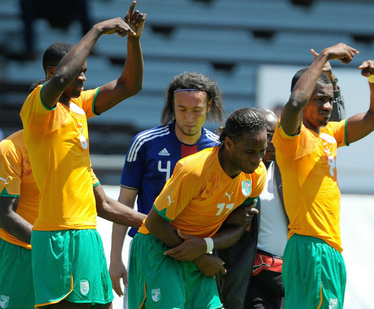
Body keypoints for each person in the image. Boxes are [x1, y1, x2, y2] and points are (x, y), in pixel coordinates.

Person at [19, 2, 146, 308]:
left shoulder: (78, 107)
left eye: (86, 73)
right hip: (58, 236)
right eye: (80, 72)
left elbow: (130, 85)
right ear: (52, 71)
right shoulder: (37, 108)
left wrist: (134, 39)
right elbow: (62, 80)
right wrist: (97, 29)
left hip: (87, 233)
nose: (84, 79)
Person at [216, 55, 347, 309]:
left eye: (277, 135)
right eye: (267, 136)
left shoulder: (293, 168)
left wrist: (332, 81)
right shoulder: (239, 176)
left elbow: (327, 125)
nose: (273, 141)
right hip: (252, 275)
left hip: (293, 272)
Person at [273, 43, 374, 308]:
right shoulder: (291, 138)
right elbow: (293, 104)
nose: (327, 106)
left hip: (332, 251)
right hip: (308, 248)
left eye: (329, 99)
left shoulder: (330, 134)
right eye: (319, 100)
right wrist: (325, 56)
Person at [127, 107, 268, 308]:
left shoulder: (256, 175)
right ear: (228, 143)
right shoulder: (194, 171)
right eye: (250, 151)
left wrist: (205, 246)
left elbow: (241, 225)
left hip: (198, 253)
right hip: (160, 248)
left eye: (262, 151)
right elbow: (155, 223)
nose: (258, 159)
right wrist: (201, 256)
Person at [109, 71, 225, 299]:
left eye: (196, 110)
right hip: (151, 248)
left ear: (209, 105)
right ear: (172, 105)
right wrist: (115, 258)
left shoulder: (218, 150)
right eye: (182, 109)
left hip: (198, 252)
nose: (189, 118)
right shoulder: (145, 143)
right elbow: (124, 203)